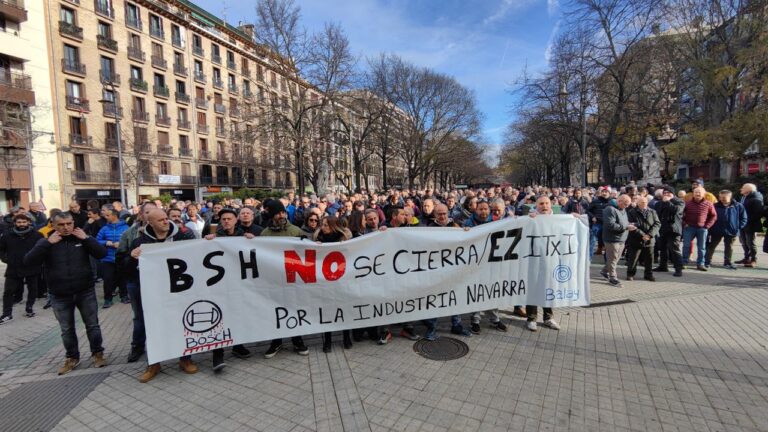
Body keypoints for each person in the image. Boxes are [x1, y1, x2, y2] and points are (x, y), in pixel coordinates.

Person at [24, 212, 108, 375]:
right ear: (54, 226)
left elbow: (102, 254)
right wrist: (48, 243)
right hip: (59, 294)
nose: (66, 227)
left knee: (92, 325)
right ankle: (72, 357)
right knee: (67, 329)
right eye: (61, 225)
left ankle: (98, 353)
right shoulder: (46, 241)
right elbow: (28, 261)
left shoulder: (82, 238)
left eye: (69, 223)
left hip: (85, 291)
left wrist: (87, 239)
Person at [119, 208, 198, 382]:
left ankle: (185, 359)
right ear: (151, 223)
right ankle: (154, 363)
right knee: (153, 326)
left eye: (165, 218)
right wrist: (131, 258)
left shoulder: (182, 238)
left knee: (181, 324)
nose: (165, 222)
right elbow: (125, 269)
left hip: (178, 290)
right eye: (160, 220)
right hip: (152, 292)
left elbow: (198, 255)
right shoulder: (140, 242)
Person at [203, 208, 257, 369]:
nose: (226, 221)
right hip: (218, 285)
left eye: (229, 218)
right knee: (218, 318)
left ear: (236, 220)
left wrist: (253, 241)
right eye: (224, 219)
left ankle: (237, 346)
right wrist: (206, 241)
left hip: (238, 284)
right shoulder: (213, 237)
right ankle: (217, 354)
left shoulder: (243, 236)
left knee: (238, 314)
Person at [260, 200, 310, 358]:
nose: (281, 215)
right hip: (274, 279)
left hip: (293, 278)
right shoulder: (264, 234)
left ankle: (297, 339)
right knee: (275, 310)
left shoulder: (296, 231)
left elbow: (306, 253)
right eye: (278, 213)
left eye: (283, 212)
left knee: (294, 308)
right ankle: (276, 341)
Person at [425, 204, 472, 337]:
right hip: (436, 270)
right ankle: (432, 327)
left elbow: (465, 240)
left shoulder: (455, 226)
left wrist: (467, 232)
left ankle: (456, 325)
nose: (442, 216)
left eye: (444, 213)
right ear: (434, 214)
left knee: (455, 296)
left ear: (448, 213)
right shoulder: (429, 229)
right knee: (435, 298)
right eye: (439, 213)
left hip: (453, 269)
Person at [463, 201, 508, 334]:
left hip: (491, 262)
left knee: (491, 291)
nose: (483, 211)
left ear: (489, 210)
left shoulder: (496, 221)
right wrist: (464, 232)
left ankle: (495, 319)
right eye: (480, 209)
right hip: (475, 263)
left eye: (485, 209)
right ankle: (475, 320)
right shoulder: (468, 223)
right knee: (478, 291)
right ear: (476, 210)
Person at [313, 216, 354, 352]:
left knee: (344, 308)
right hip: (325, 281)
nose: (323, 227)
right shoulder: (318, 239)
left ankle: (346, 337)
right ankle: (328, 340)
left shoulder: (345, 239)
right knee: (328, 310)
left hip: (342, 279)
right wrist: (315, 246)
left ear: (333, 226)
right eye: (322, 225)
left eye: (326, 225)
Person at [525, 196, 561, 332]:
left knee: (548, 287)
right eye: (541, 204)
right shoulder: (530, 218)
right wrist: (528, 220)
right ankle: (531, 318)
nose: (544, 206)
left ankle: (548, 317)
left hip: (551, 260)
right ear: (536, 205)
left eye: (547, 203)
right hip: (534, 261)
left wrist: (574, 218)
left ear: (551, 205)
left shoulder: (559, 219)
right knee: (533, 288)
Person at [0, 213, 43, 322]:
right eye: (19, 222)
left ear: (28, 222)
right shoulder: (7, 236)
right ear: (15, 223)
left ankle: (29, 308)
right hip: (13, 268)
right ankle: (7, 314)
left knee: (32, 289)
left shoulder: (37, 235)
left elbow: (42, 249)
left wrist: (37, 260)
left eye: (24, 222)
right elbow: (1, 249)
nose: (22, 224)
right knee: (8, 291)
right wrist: (6, 259)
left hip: (31, 266)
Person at [96, 205, 130, 307]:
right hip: (108, 258)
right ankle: (108, 299)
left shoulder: (126, 228)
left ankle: (124, 296)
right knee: (108, 279)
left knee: (122, 278)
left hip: (122, 258)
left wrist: (121, 244)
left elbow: (130, 241)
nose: (105, 217)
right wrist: (107, 242)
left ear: (114, 216)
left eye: (107, 215)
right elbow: (97, 240)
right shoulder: (104, 228)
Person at [706, 190, 746, 269]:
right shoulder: (714, 206)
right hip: (716, 230)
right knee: (712, 246)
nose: (722, 199)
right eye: (720, 197)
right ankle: (707, 261)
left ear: (730, 197)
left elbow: (744, 218)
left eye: (724, 197)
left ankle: (727, 262)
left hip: (731, 231)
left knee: (729, 247)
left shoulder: (738, 206)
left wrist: (738, 227)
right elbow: (709, 216)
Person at [682, 187, 717, 271]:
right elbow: (681, 214)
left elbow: (714, 216)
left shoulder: (708, 203)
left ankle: (700, 264)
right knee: (686, 246)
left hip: (702, 229)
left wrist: (707, 226)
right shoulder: (687, 203)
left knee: (701, 247)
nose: (697, 194)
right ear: (693, 193)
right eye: (696, 192)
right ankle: (684, 262)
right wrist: (684, 224)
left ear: (704, 194)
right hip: (689, 228)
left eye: (699, 192)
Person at [625, 196, 660, 281]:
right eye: (641, 202)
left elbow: (657, 224)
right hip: (636, 239)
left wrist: (649, 235)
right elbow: (632, 225)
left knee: (649, 259)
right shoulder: (632, 212)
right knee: (633, 258)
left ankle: (648, 274)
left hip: (649, 239)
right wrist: (642, 235)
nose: (643, 204)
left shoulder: (652, 212)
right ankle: (630, 274)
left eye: (645, 202)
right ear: (637, 203)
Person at [601, 195, 632, 286]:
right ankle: (612, 277)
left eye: (628, 205)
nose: (627, 206)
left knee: (615, 258)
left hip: (622, 238)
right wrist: (626, 227)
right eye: (625, 204)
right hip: (611, 239)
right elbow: (610, 225)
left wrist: (629, 225)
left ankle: (604, 271)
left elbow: (623, 222)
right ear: (619, 201)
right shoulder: (609, 209)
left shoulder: (623, 209)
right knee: (613, 258)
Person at [654, 186, 685, 277]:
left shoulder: (679, 201)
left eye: (669, 193)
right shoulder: (659, 203)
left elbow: (676, 211)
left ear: (673, 194)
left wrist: (667, 202)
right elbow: (657, 215)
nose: (666, 195)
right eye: (665, 193)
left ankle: (678, 269)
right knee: (662, 248)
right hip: (662, 228)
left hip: (673, 229)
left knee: (674, 249)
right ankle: (663, 266)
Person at [737, 183, 764, 268]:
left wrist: (746, 220)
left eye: (743, 188)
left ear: (749, 190)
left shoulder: (756, 198)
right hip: (743, 223)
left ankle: (753, 259)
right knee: (743, 242)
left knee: (750, 242)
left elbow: (758, 213)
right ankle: (746, 258)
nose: (741, 189)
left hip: (750, 224)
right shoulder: (744, 196)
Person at [588, 187, 615, 257]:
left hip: (608, 224)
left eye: (606, 192)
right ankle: (589, 257)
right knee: (592, 239)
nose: (604, 193)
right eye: (603, 191)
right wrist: (592, 217)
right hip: (597, 223)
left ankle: (607, 260)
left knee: (607, 242)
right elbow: (588, 210)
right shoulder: (595, 201)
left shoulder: (613, 202)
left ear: (609, 193)